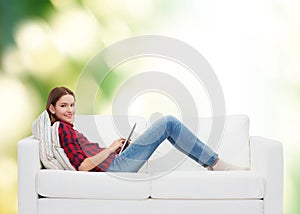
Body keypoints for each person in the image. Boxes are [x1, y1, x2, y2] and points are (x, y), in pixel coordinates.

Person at [46, 86, 241, 172]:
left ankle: (212, 163)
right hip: (115, 168)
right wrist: (111, 148)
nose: (70, 110)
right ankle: (216, 163)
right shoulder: (62, 130)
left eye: (72, 105)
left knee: (169, 125)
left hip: (114, 162)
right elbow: (83, 167)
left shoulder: (68, 129)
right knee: (168, 123)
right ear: (52, 108)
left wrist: (116, 149)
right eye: (64, 106)